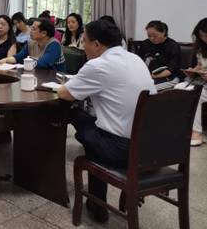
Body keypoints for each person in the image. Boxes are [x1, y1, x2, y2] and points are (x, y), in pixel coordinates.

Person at [56, 20, 156, 223]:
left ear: (97, 44)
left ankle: (96, 202)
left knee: (72, 112)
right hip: (152, 148)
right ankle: (96, 204)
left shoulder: (98, 65)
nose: (83, 46)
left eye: (84, 41)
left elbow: (64, 93)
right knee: (94, 129)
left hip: (123, 150)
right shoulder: (135, 59)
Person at [0, 18, 66, 71]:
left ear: (44, 33)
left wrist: (22, 65)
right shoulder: (31, 42)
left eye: (33, 29)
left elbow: (43, 64)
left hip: (55, 80)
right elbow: (19, 57)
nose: (30, 30)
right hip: (37, 75)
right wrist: (4, 60)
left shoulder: (54, 45)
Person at [137, 20, 181, 91]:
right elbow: (137, 62)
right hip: (148, 77)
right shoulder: (145, 44)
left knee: (146, 89)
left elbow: (170, 70)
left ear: (163, 32)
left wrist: (151, 76)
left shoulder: (173, 46)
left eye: (155, 36)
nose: (152, 38)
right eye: (149, 36)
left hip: (169, 77)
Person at [186, 18, 207, 146]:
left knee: (194, 94)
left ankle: (197, 132)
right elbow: (200, 66)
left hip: (202, 86)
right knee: (178, 88)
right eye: (202, 36)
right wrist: (193, 71)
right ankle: (184, 128)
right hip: (201, 83)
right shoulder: (201, 50)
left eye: (206, 35)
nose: (204, 39)